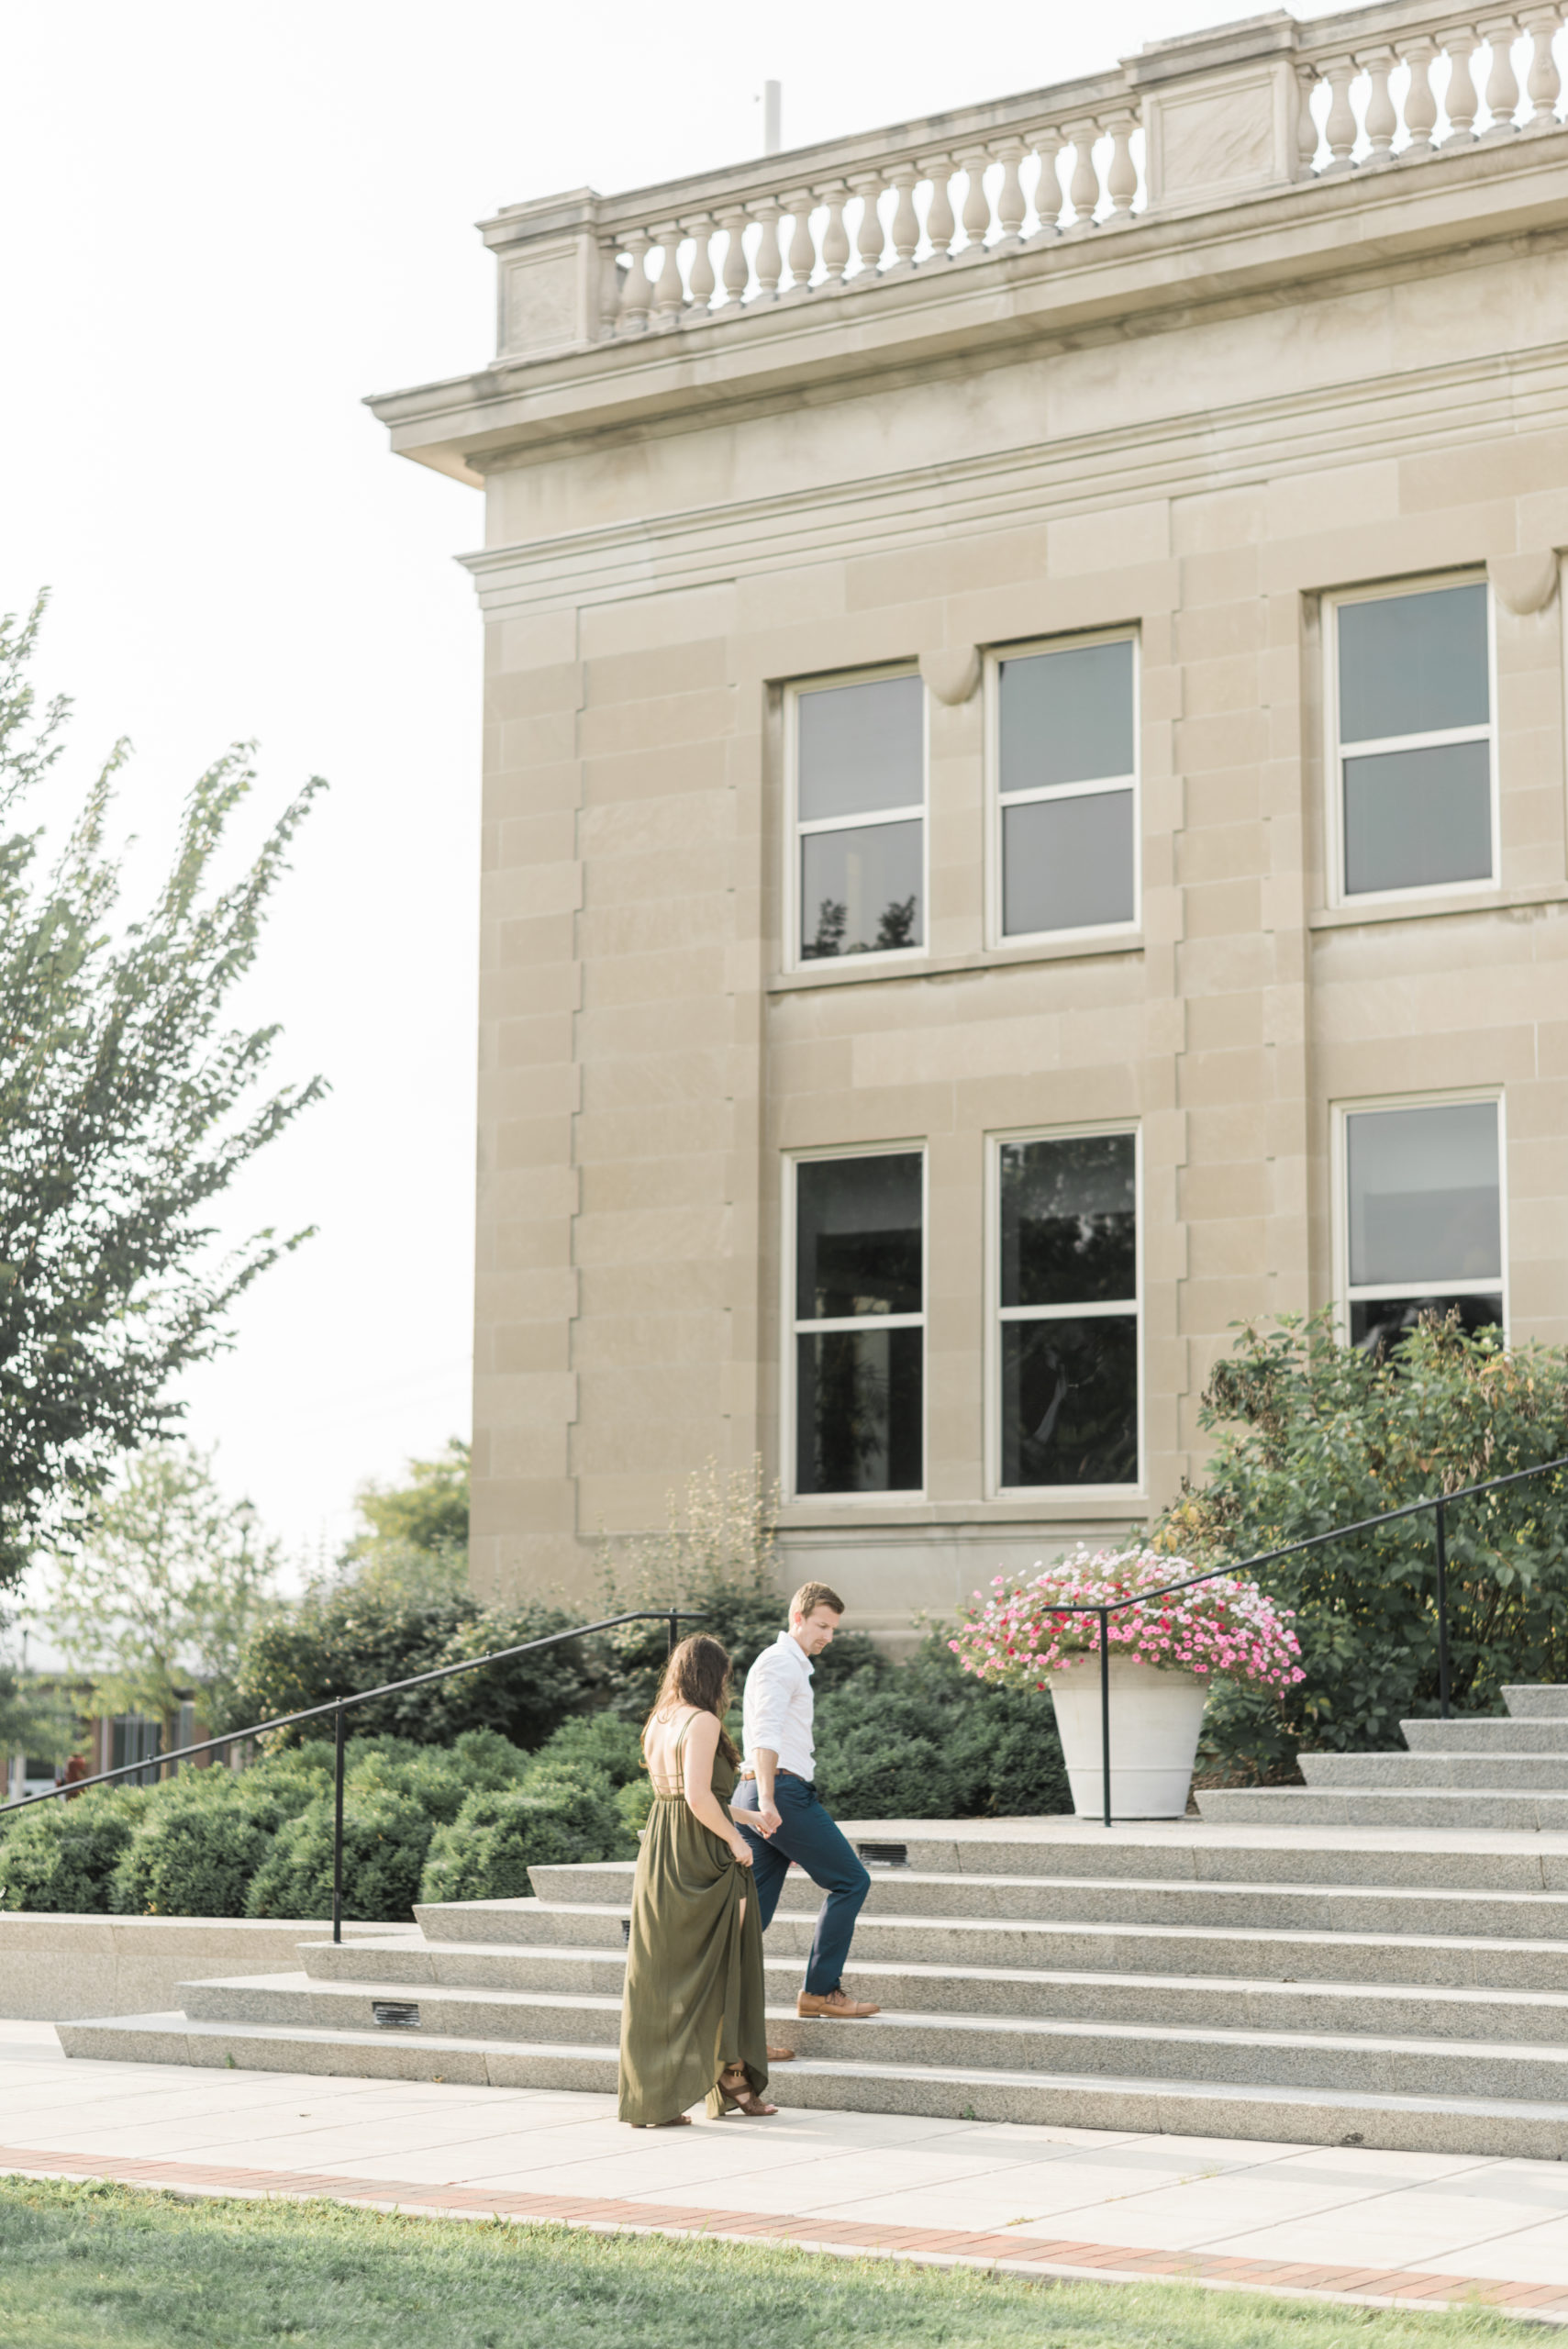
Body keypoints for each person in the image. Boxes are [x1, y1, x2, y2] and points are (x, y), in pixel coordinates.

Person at [617, 1633, 777, 2125]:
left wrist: (748, 1819)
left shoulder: (660, 1720)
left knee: (665, 1974)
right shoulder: (703, 1721)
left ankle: (658, 2094)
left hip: (663, 1850)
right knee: (730, 1963)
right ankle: (732, 2076)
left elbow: (681, 1796)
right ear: (713, 1676)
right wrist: (736, 1841)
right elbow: (697, 1801)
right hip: (701, 1854)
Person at [731, 1581, 880, 2021]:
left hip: (758, 1789)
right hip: (780, 1793)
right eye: (821, 1626)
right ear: (797, 1617)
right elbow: (766, 1733)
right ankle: (820, 1991)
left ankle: (719, 2010)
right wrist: (771, 1799)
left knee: (749, 1919)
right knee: (852, 1881)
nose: (828, 1637)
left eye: (833, 1629)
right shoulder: (780, 1663)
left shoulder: (785, 1663)